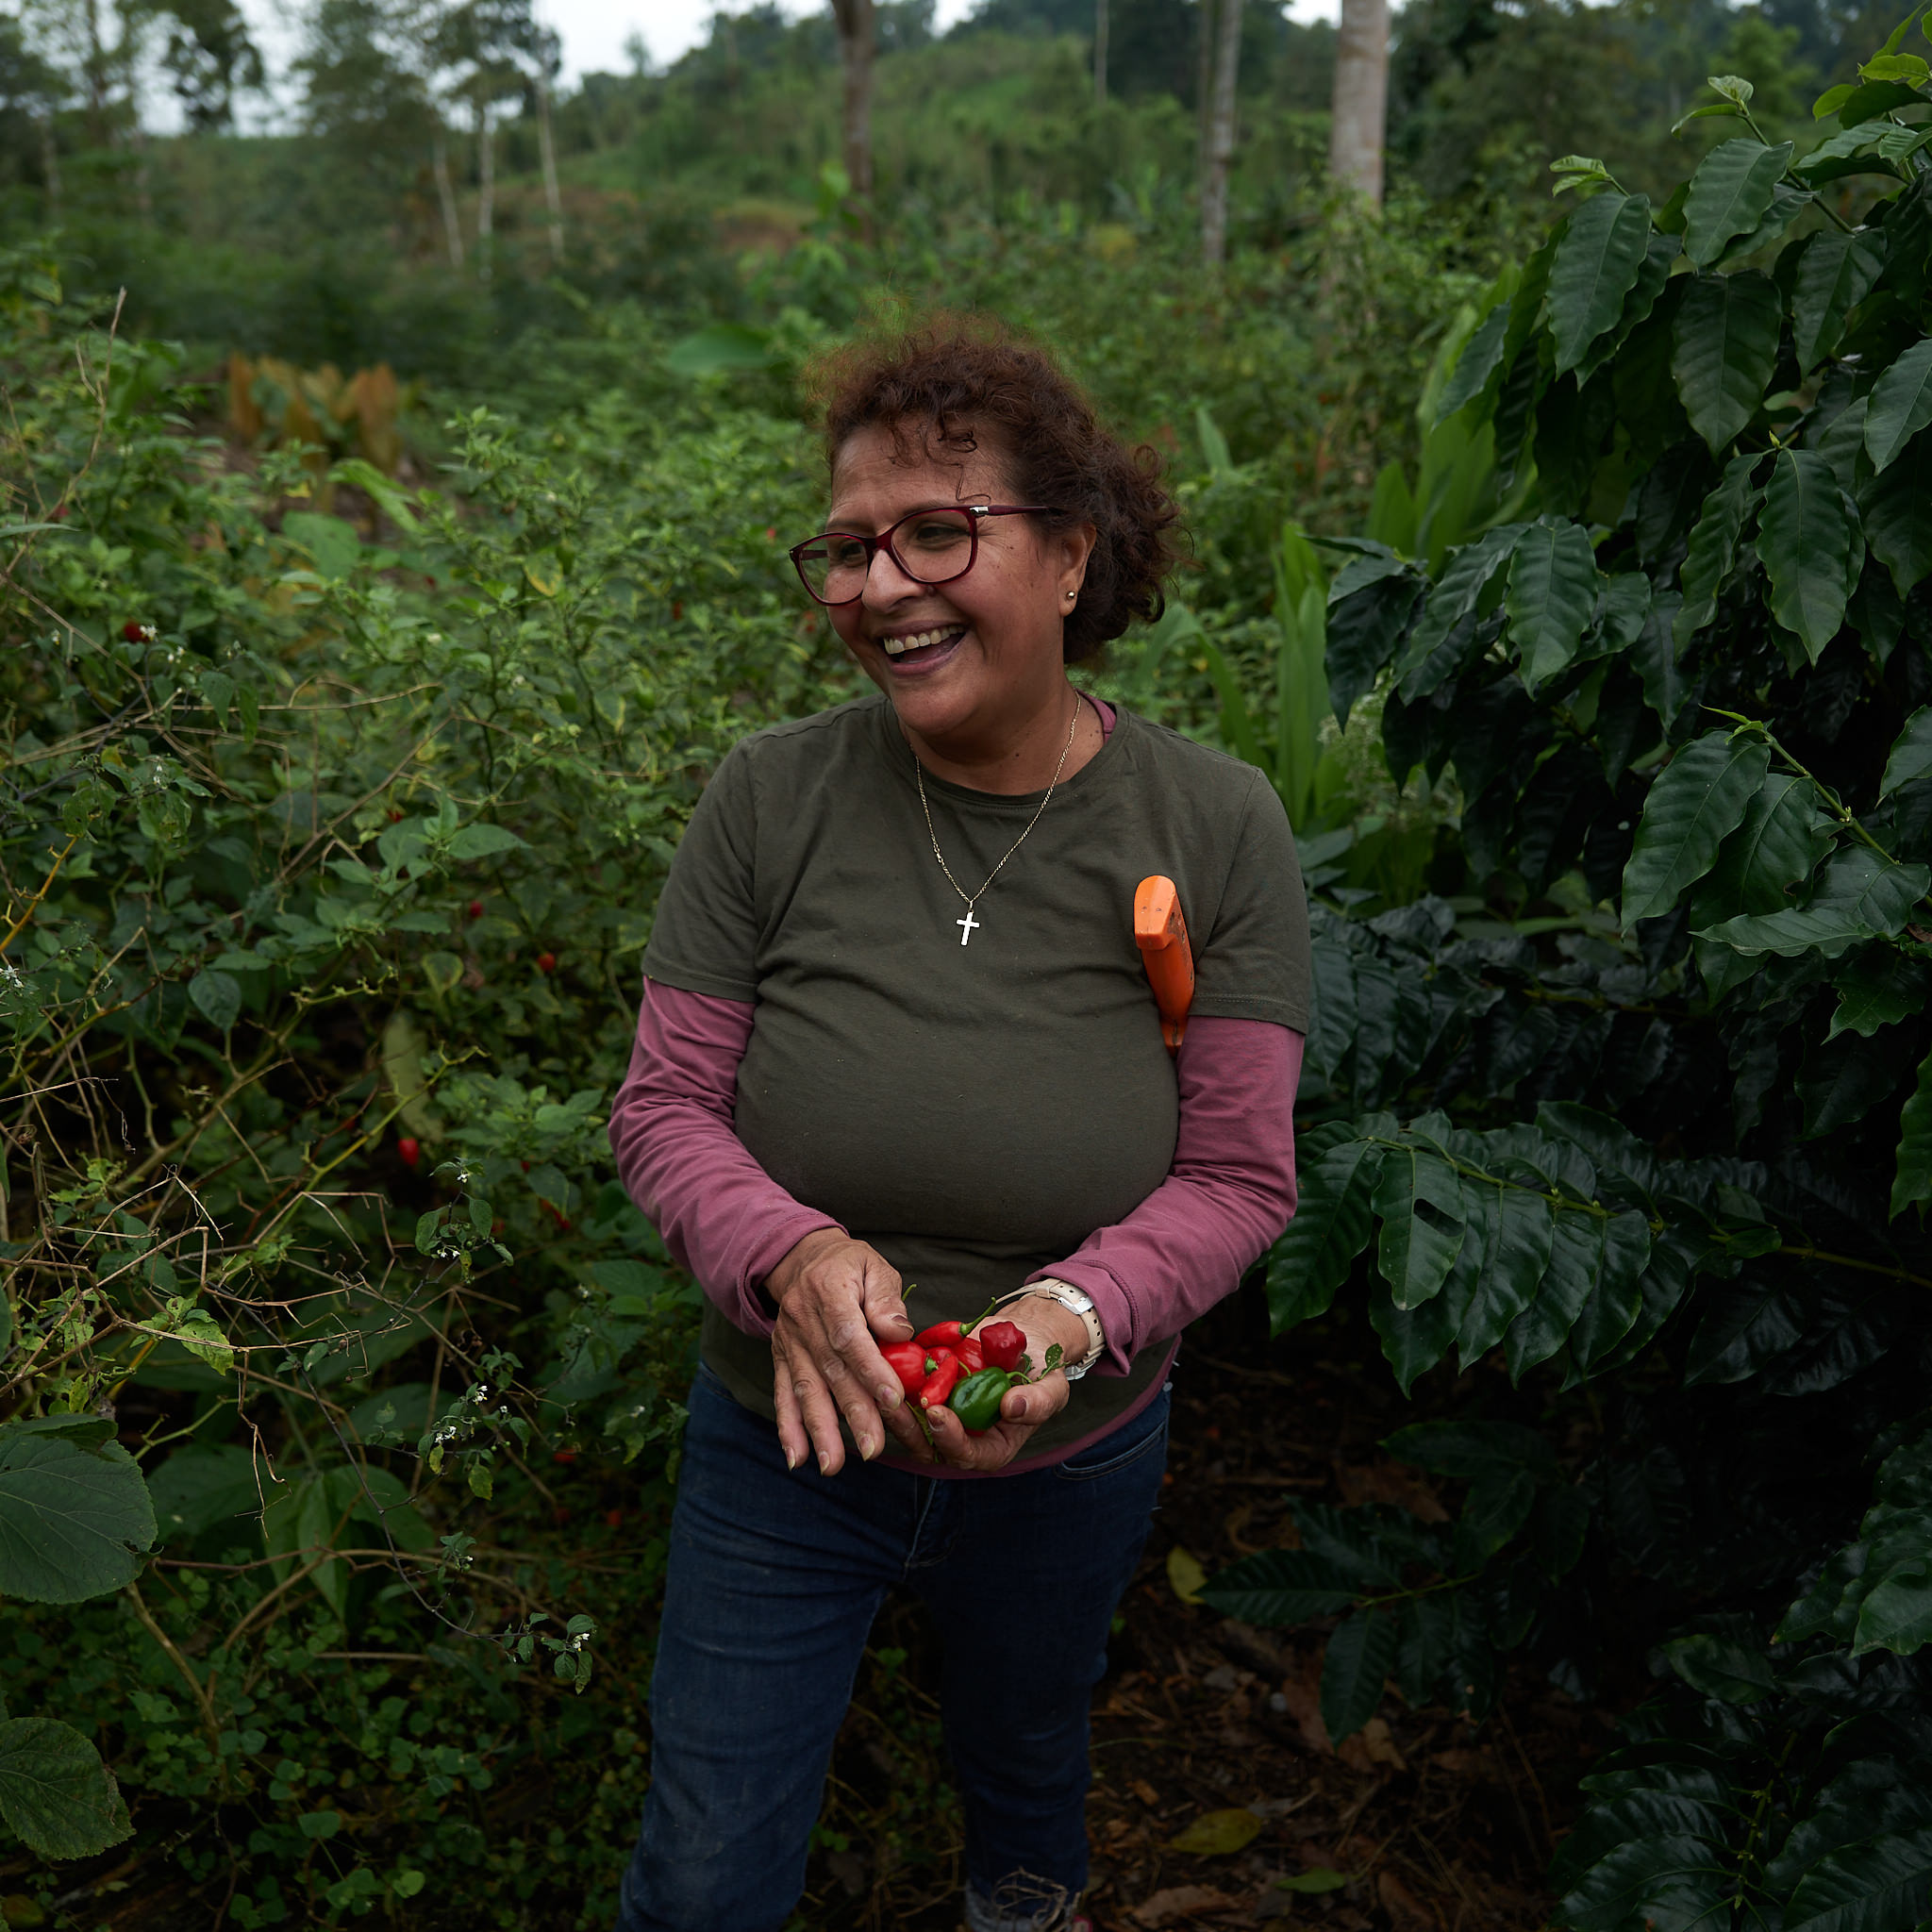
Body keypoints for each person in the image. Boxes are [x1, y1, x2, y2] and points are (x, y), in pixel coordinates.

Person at [607, 323, 1310, 1932]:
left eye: (940, 530)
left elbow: (1237, 1173)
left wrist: (1076, 1310)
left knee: (1024, 1760)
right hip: (786, 1436)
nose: (881, 586)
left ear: (1070, 555)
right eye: (849, 548)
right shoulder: (769, 801)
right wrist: (787, 1254)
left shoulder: (1217, 827)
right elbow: (661, 1106)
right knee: (707, 1867)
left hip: (1072, 1445)